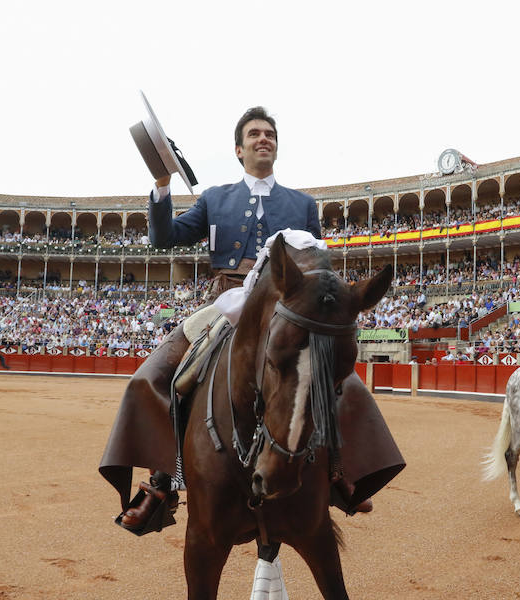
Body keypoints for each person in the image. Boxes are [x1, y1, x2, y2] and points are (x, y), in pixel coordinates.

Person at [100, 107, 403, 535]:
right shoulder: (214, 198)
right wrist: (163, 183)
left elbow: (320, 267)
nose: (264, 139)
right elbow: (163, 239)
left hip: (285, 309)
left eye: (270, 134)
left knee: (340, 377)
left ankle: (340, 471)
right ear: (239, 150)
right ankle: (163, 481)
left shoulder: (302, 204)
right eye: (254, 134)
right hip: (226, 301)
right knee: (152, 376)